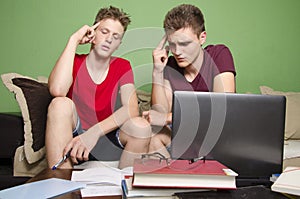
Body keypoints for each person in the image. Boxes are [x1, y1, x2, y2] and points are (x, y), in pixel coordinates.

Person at [45, 6, 151, 169]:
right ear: (92, 34)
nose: (109, 39)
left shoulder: (122, 66)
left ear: (118, 44)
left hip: (106, 135)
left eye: (115, 36)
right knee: (59, 104)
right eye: (104, 32)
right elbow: (57, 90)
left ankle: (124, 185)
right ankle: (61, 183)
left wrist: (93, 133)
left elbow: (131, 109)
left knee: (141, 126)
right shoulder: (74, 62)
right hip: (75, 137)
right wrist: (73, 40)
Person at [143, 4, 236, 157]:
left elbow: (223, 109)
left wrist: (168, 118)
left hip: (216, 139)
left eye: (185, 44)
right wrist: (157, 71)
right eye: (172, 44)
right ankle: (167, 178)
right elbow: (160, 113)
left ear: (202, 37)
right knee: (155, 136)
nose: (177, 52)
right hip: (184, 139)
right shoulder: (170, 65)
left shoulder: (219, 55)